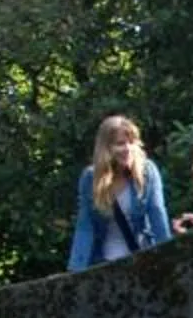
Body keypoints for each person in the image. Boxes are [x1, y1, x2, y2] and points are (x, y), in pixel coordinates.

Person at [67, 114, 172, 270]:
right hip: (103, 262)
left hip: (141, 258)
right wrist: (76, 269)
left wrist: (169, 256)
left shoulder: (147, 172)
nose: (127, 148)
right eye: (120, 143)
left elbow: (157, 214)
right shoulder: (90, 178)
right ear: (106, 148)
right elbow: (85, 225)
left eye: (131, 142)